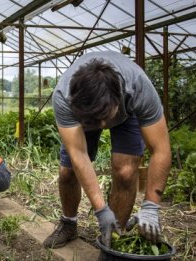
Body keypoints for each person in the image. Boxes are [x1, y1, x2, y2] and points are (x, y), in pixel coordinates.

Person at [44, 51, 171, 249]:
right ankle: (69, 223)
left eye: (105, 117)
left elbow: (160, 149)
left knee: (126, 172)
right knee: (67, 172)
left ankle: (112, 236)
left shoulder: (138, 87)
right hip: (83, 118)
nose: (103, 125)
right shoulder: (63, 97)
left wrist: (151, 206)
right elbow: (79, 155)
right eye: (97, 120)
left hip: (126, 113)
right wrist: (101, 210)